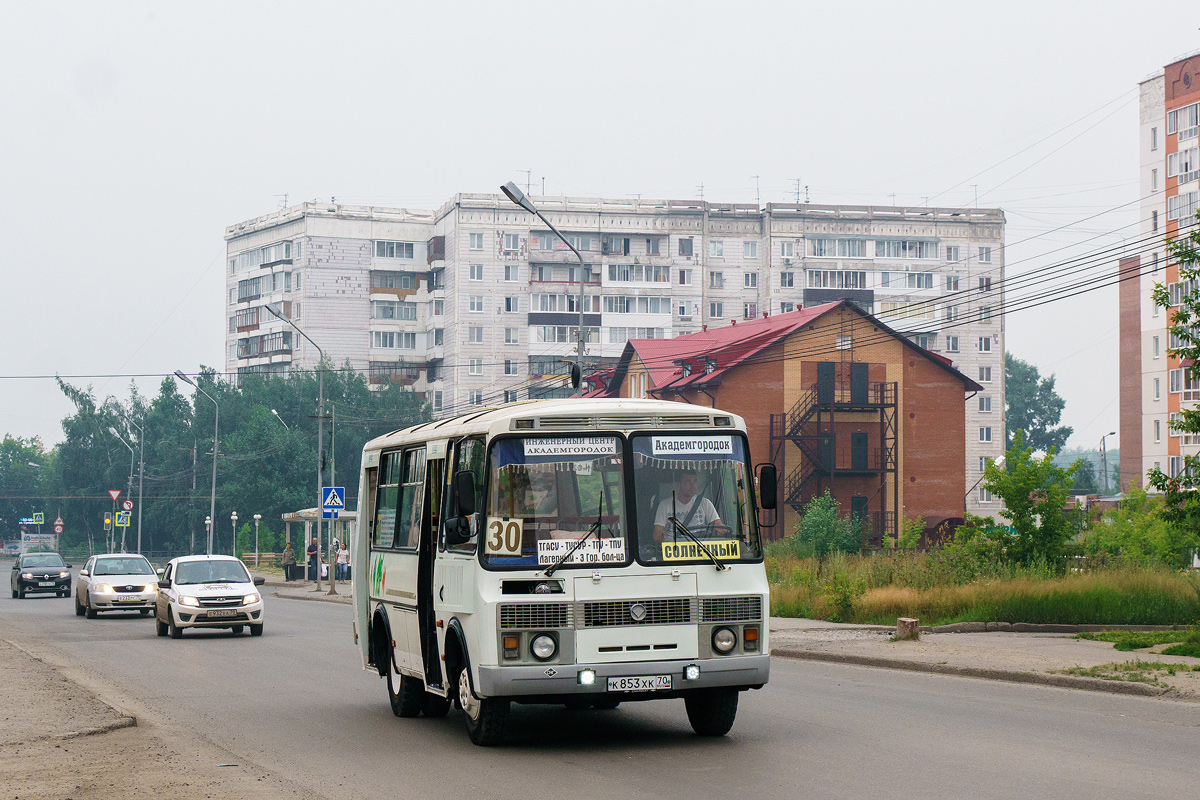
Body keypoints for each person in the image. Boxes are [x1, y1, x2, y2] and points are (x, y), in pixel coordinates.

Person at [652, 468, 724, 542]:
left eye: (695, 481)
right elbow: (657, 536)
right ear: (678, 485)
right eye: (688, 481)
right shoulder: (665, 505)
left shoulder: (705, 503)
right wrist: (670, 546)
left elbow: (718, 525)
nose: (693, 485)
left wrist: (721, 530)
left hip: (701, 549)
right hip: (676, 550)